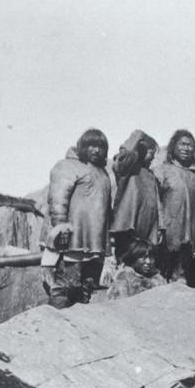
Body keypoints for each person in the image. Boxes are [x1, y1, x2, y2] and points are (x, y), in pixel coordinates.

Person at [41, 128, 112, 308]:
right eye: (91, 145)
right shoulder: (67, 166)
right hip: (73, 238)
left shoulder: (102, 172)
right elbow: (58, 200)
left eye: (100, 146)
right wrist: (60, 228)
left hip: (95, 242)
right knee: (66, 285)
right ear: (82, 146)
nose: (96, 150)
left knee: (87, 286)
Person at [153, 129, 195, 284]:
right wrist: (159, 228)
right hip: (165, 236)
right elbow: (156, 203)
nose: (186, 148)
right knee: (161, 278)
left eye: (190, 145)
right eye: (182, 144)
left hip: (189, 239)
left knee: (181, 280)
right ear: (173, 146)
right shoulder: (161, 171)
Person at [110, 130, 161, 261]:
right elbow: (125, 155)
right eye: (151, 153)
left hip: (146, 230)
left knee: (142, 262)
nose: (153, 158)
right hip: (127, 229)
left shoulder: (150, 175)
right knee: (126, 260)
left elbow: (157, 204)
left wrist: (160, 228)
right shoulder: (128, 169)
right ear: (142, 149)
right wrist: (138, 136)